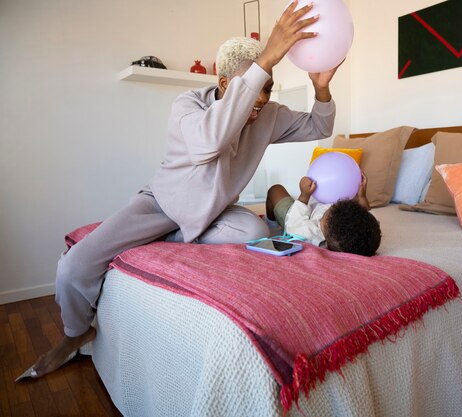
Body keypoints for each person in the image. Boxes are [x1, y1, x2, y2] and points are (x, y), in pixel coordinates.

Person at [20, 0, 341, 380]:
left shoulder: (268, 115)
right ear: (224, 84)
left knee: (256, 230)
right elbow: (210, 142)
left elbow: (318, 128)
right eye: (254, 87)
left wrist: (321, 90)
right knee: (73, 268)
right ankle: (75, 333)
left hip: (215, 212)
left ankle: (173, 237)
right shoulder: (187, 106)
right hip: (161, 204)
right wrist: (267, 58)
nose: (260, 99)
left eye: (267, 89)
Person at [265, 173, 382, 256]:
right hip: (313, 207)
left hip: (297, 215)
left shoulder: (308, 232)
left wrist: (304, 196)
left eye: (333, 206)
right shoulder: (364, 232)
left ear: (325, 222)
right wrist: (362, 196)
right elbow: (366, 213)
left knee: (275, 190)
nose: (333, 204)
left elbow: (293, 222)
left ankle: (271, 223)